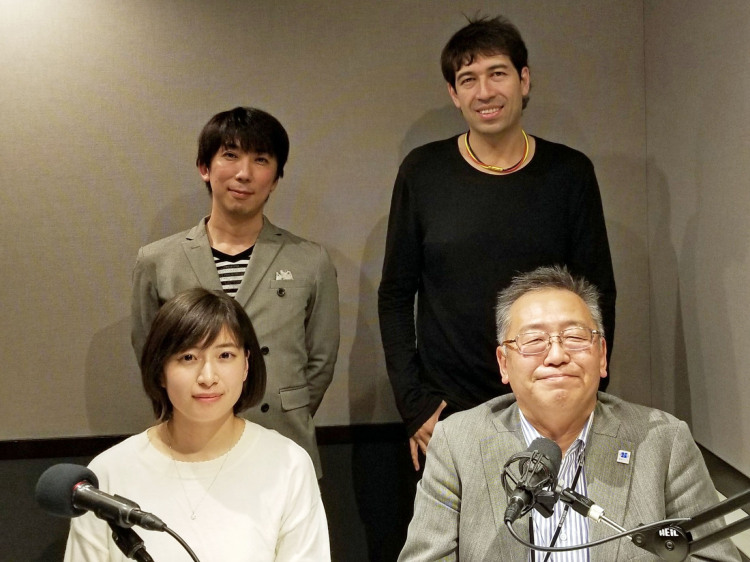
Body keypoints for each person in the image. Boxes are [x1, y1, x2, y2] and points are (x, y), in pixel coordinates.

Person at [378, 15, 616, 471]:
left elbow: (598, 293)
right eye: (468, 79)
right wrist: (414, 405)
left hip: (550, 400)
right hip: (448, 410)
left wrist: (589, 395)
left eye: (497, 73)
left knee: (556, 519)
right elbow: (395, 295)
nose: (484, 92)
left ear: (524, 80)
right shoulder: (423, 172)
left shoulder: (569, 173)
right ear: (454, 94)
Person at [398, 266, 739, 561]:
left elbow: (712, 557)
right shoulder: (457, 443)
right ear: (504, 363)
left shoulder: (664, 441)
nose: (557, 355)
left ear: (601, 355)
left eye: (575, 336)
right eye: (534, 340)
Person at [131, 107, 340, 478]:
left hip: (284, 442)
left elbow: (321, 360)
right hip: (190, 442)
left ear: (275, 178)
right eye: (230, 155)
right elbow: (150, 353)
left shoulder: (311, 260)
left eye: (261, 159)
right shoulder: (158, 261)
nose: (244, 173)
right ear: (204, 167)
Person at [66, 288, 330, 561]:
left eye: (225, 355)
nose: (208, 377)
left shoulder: (287, 464)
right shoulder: (109, 473)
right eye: (188, 358)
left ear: (246, 365)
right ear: (160, 371)